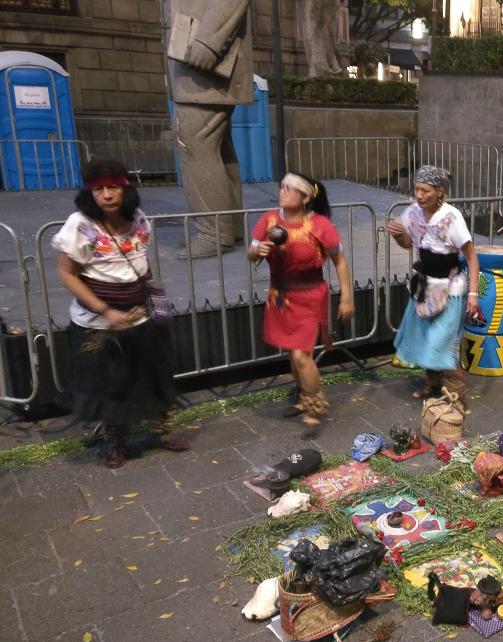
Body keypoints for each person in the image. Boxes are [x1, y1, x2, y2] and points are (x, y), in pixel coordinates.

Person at [53, 159, 191, 468]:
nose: (106, 195)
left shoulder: (139, 219)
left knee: (155, 376)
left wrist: (153, 297)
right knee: (111, 384)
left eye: (112, 187)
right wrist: (106, 311)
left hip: (141, 317)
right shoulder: (79, 225)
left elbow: (142, 262)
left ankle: (163, 431)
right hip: (99, 325)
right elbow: (67, 274)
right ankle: (117, 442)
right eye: (99, 189)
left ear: (125, 189)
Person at [248, 173, 354, 432]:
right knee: (293, 354)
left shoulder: (319, 225)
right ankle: (302, 396)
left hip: (309, 296)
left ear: (305, 197)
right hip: (281, 297)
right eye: (282, 187)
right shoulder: (269, 220)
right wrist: (257, 250)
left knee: (300, 353)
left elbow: (339, 260)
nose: (282, 192)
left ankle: (315, 406)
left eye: (289, 189)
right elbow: (251, 255)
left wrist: (347, 296)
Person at [165, 0, 253, 258]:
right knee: (214, 147)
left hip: (204, 59)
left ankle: (214, 232)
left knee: (195, 143)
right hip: (198, 57)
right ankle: (228, 227)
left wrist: (209, 41)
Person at [387, 165, 479, 400]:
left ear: (440, 191)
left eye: (425, 190)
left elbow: (471, 256)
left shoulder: (452, 217)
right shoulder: (414, 213)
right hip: (424, 284)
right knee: (424, 337)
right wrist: (399, 235)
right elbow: (409, 243)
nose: (419, 195)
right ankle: (432, 384)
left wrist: (473, 294)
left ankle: (455, 393)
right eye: (416, 189)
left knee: (441, 341)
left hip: (450, 288)